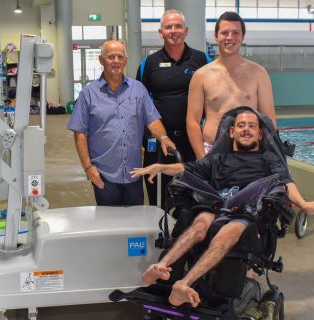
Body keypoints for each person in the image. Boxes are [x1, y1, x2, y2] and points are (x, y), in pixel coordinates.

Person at [131, 109, 314, 308]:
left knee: (227, 233)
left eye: (252, 126)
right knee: (198, 226)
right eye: (241, 126)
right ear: (232, 132)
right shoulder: (218, 159)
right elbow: (188, 168)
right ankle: (161, 266)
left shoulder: (269, 159)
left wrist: (303, 204)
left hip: (248, 209)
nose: (246, 130)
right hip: (217, 204)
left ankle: (183, 284)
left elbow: (285, 181)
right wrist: (160, 167)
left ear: (260, 134)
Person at [68, 40, 175, 206]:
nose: (116, 61)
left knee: (133, 224)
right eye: (111, 57)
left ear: (125, 61)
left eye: (120, 57)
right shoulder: (88, 94)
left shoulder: (138, 89)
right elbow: (80, 132)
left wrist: (164, 137)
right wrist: (88, 167)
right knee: (108, 224)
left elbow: (152, 119)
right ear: (101, 60)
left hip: (134, 173)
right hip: (104, 174)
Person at [136, 9, 210, 207]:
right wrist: (145, 141)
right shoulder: (149, 63)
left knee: (194, 194)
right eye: (168, 27)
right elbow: (140, 104)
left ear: (186, 31)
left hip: (192, 140)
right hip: (159, 141)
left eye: (178, 26)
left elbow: (213, 98)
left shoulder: (202, 60)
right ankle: (159, 235)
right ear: (161, 32)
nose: (174, 31)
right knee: (157, 192)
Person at [186, 11, 277, 159]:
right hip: (212, 151)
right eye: (225, 33)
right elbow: (192, 121)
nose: (230, 38)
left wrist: (268, 154)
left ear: (242, 37)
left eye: (235, 33)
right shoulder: (201, 76)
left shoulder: (259, 73)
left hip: (250, 153)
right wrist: (202, 158)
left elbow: (269, 119)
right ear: (216, 36)